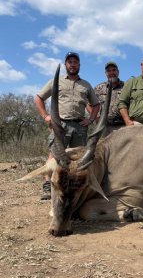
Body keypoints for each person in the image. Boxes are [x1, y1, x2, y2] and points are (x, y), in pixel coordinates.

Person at [35, 52, 100, 200]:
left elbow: (96, 105)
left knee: (78, 158)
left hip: (79, 125)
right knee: (54, 155)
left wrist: (90, 119)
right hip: (60, 124)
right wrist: (46, 116)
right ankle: (47, 187)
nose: (72, 64)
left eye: (75, 62)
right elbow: (39, 98)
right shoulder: (55, 81)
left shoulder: (86, 85)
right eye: (70, 62)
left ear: (79, 65)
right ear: (66, 64)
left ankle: (71, 185)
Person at [88, 61, 125, 136]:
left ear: (118, 72)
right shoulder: (99, 88)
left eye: (114, 70)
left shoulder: (126, 87)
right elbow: (88, 104)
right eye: (109, 71)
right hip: (103, 127)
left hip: (122, 127)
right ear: (106, 73)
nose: (111, 73)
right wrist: (96, 117)